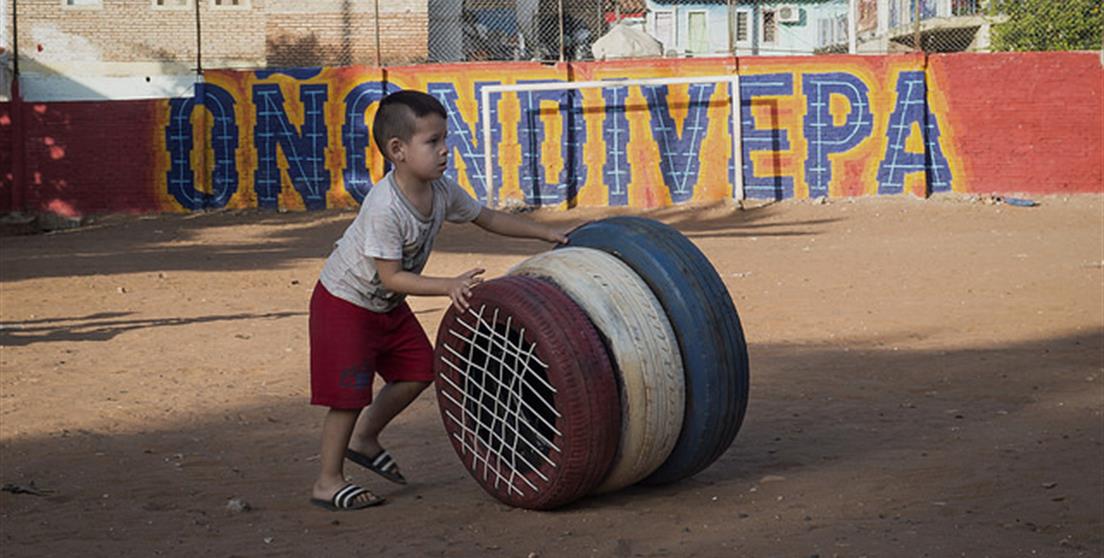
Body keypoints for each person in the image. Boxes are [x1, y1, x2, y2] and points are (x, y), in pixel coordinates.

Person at [308, 89, 574, 511]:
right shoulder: (384, 207)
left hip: (385, 305)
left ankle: (365, 437)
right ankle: (327, 481)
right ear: (398, 150)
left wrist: (543, 233)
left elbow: (486, 217)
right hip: (345, 303)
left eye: (444, 138)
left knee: (418, 370)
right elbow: (391, 276)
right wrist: (449, 284)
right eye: (432, 142)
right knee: (347, 397)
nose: (445, 149)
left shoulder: (441, 190)